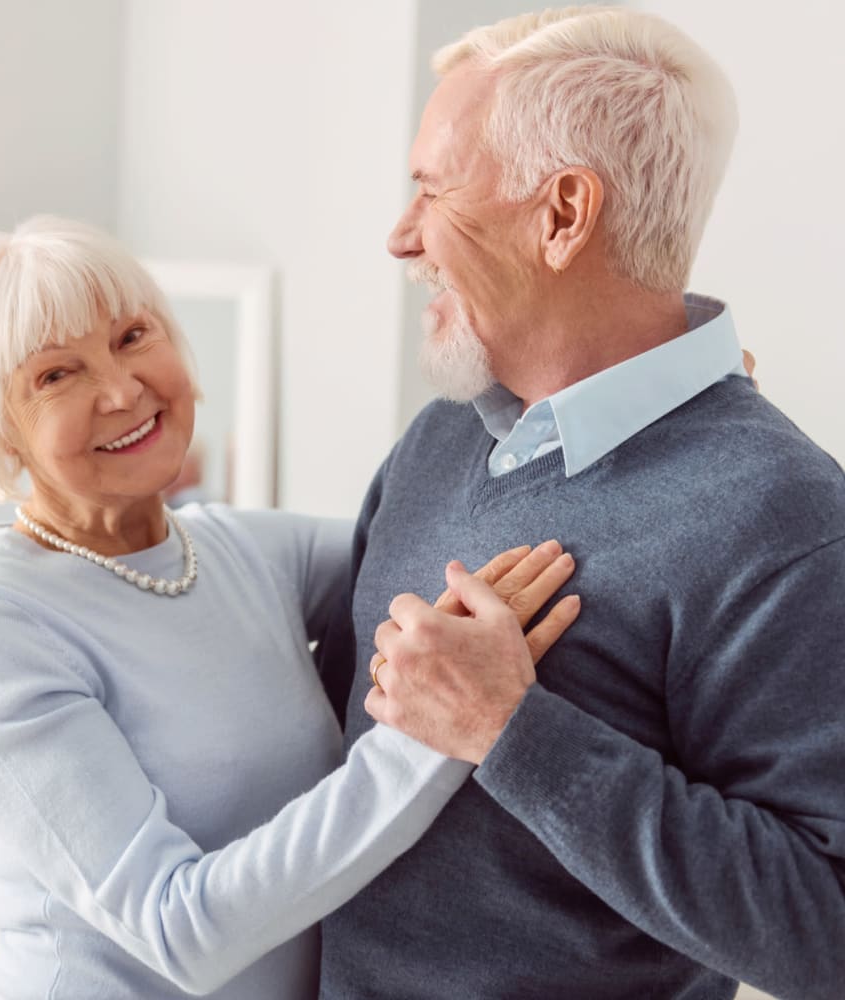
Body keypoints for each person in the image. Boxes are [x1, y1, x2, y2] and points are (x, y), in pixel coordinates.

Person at [317, 7, 845, 1000]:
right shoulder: (436, 443)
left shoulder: (785, 517)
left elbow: (827, 925)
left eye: (431, 189)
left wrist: (514, 730)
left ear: (561, 214)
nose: (400, 237)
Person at [0, 216, 580, 1000]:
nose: (122, 390)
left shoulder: (241, 550)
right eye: (57, 376)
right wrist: (440, 724)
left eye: (133, 336)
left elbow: (472, 549)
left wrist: (653, 419)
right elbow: (178, 930)